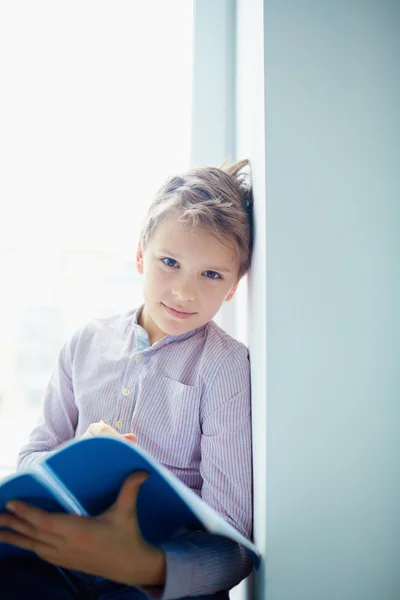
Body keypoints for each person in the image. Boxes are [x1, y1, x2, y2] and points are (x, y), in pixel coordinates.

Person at [0, 159, 254, 599]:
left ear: (234, 286)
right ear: (141, 254)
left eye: (211, 274)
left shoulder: (225, 366)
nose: (183, 292)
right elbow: (33, 455)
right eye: (169, 262)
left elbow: (233, 544)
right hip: (59, 562)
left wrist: (145, 565)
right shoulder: (85, 343)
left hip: (150, 577)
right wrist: (76, 457)